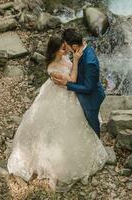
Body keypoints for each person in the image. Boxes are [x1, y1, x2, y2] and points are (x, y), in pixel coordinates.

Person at [7, 36, 109, 192]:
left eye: (65, 47)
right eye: (63, 48)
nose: (66, 49)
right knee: (56, 126)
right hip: (61, 95)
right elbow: (73, 79)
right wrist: (75, 60)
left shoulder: (64, 56)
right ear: (55, 51)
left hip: (70, 93)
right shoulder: (53, 68)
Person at [51, 28, 105, 138]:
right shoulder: (81, 50)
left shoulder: (90, 62)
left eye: (66, 45)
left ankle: (97, 149)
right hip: (83, 94)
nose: (65, 47)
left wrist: (67, 84)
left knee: (93, 126)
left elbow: (88, 88)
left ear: (74, 46)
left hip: (91, 99)